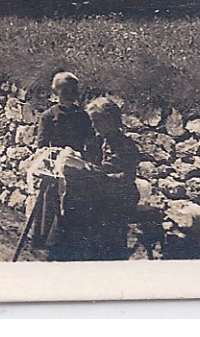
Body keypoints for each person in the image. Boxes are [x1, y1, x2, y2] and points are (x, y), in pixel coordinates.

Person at [60, 96, 143, 261]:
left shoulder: (124, 145)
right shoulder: (100, 140)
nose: (93, 125)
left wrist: (84, 166)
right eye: (92, 121)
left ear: (110, 121)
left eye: (97, 121)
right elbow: (94, 165)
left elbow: (117, 176)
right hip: (103, 191)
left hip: (120, 195)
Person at [23, 71, 96, 258]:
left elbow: (90, 141)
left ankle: (68, 241)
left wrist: (83, 157)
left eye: (72, 92)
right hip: (53, 163)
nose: (68, 96)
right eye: (64, 92)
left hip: (75, 164)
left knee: (76, 199)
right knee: (49, 196)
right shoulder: (49, 116)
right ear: (56, 94)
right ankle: (42, 240)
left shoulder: (83, 116)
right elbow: (42, 144)